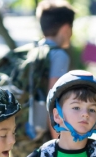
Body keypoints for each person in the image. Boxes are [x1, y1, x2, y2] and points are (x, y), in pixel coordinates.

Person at [37, 0, 75, 140]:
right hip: (43, 134)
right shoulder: (59, 55)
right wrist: (57, 141)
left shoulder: (34, 50)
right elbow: (52, 98)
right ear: (66, 29)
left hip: (23, 132)